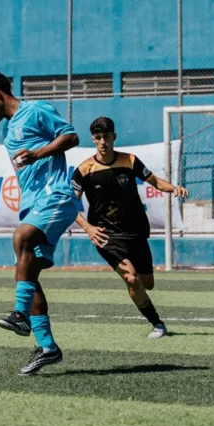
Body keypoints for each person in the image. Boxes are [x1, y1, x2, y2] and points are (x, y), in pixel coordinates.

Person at [0, 70, 79, 376]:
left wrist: (38, 153)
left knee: (21, 239)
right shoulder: (9, 131)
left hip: (56, 195)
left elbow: (71, 136)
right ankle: (47, 347)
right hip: (33, 205)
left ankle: (21, 314)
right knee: (28, 272)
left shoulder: (36, 110)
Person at [72, 117, 189, 339]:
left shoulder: (130, 161)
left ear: (114, 137)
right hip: (106, 235)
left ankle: (140, 297)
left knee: (148, 284)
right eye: (98, 138)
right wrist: (88, 228)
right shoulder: (84, 170)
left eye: (106, 137)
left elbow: (155, 181)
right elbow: (70, 204)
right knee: (132, 278)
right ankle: (157, 324)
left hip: (135, 231)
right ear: (93, 140)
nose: (103, 142)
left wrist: (174, 188)